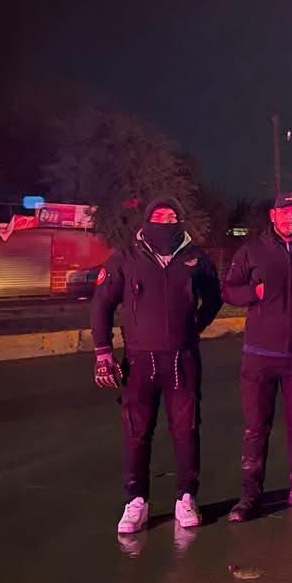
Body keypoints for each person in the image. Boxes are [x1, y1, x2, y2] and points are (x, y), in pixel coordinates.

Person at [91, 197, 223, 534]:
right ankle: (136, 501)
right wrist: (103, 352)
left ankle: (186, 497)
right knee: (137, 433)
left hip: (183, 360)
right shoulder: (126, 257)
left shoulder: (195, 258)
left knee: (186, 430)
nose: (166, 221)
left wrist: (195, 325)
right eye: (159, 216)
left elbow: (214, 297)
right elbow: (102, 305)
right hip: (139, 361)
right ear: (147, 220)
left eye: (172, 216)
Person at [221, 191, 292, 521]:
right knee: (256, 428)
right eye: (283, 212)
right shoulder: (252, 251)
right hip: (259, 356)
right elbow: (228, 289)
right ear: (273, 216)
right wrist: (252, 293)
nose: (289, 218)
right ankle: (250, 496)